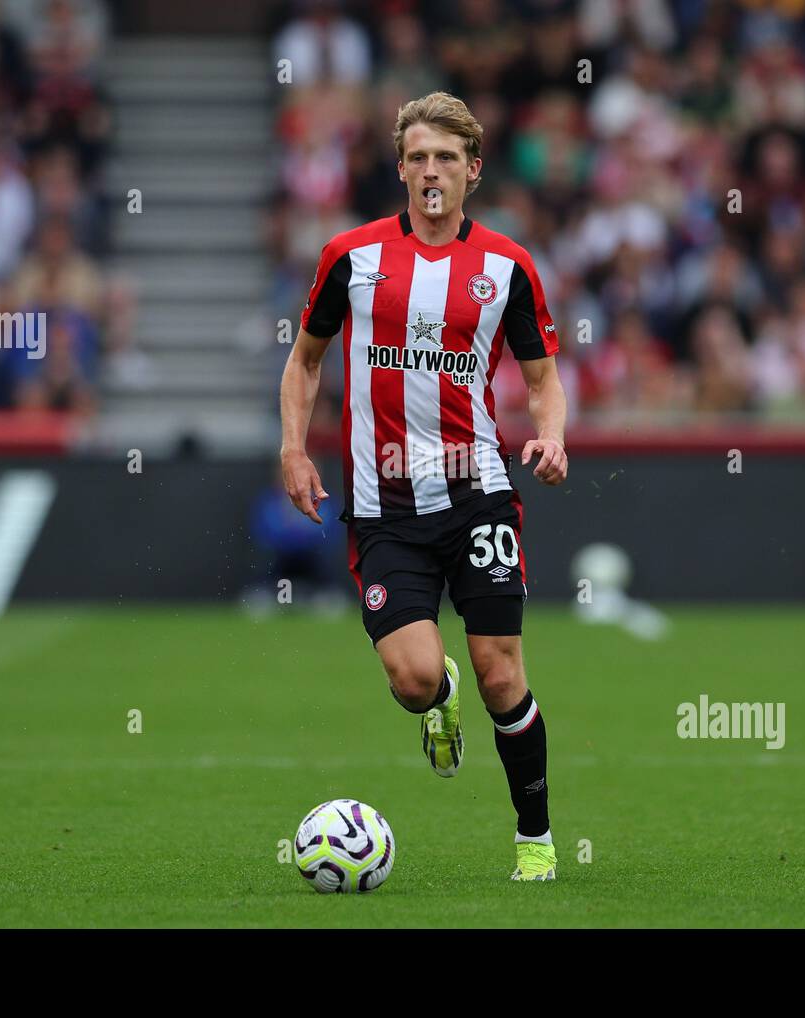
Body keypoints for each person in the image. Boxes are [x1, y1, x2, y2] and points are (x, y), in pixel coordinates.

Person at [279, 92, 568, 881]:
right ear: (400, 168)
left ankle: (535, 839)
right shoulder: (352, 257)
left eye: (445, 157)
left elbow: (543, 379)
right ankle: (437, 703)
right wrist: (293, 449)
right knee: (412, 679)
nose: (430, 170)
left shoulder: (507, 267)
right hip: (383, 508)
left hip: (477, 493)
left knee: (501, 671)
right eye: (416, 157)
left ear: (472, 170)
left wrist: (553, 433)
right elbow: (305, 360)